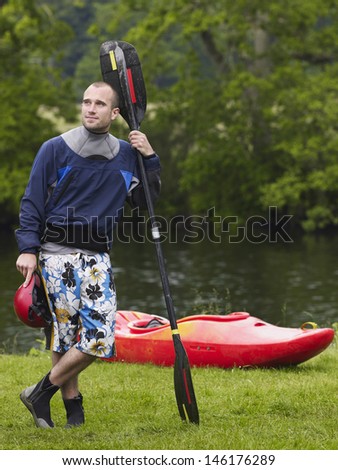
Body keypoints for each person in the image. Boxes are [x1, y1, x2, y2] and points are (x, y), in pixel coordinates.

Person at [15, 81, 161, 428]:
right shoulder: (55, 149)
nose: (90, 108)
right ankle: (74, 415)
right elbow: (32, 201)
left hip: (96, 257)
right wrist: (27, 249)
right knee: (63, 337)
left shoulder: (127, 155)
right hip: (55, 256)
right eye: (86, 102)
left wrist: (150, 158)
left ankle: (38, 392)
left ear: (115, 113)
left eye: (99, 104)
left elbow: (146, 203)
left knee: (99, 337)